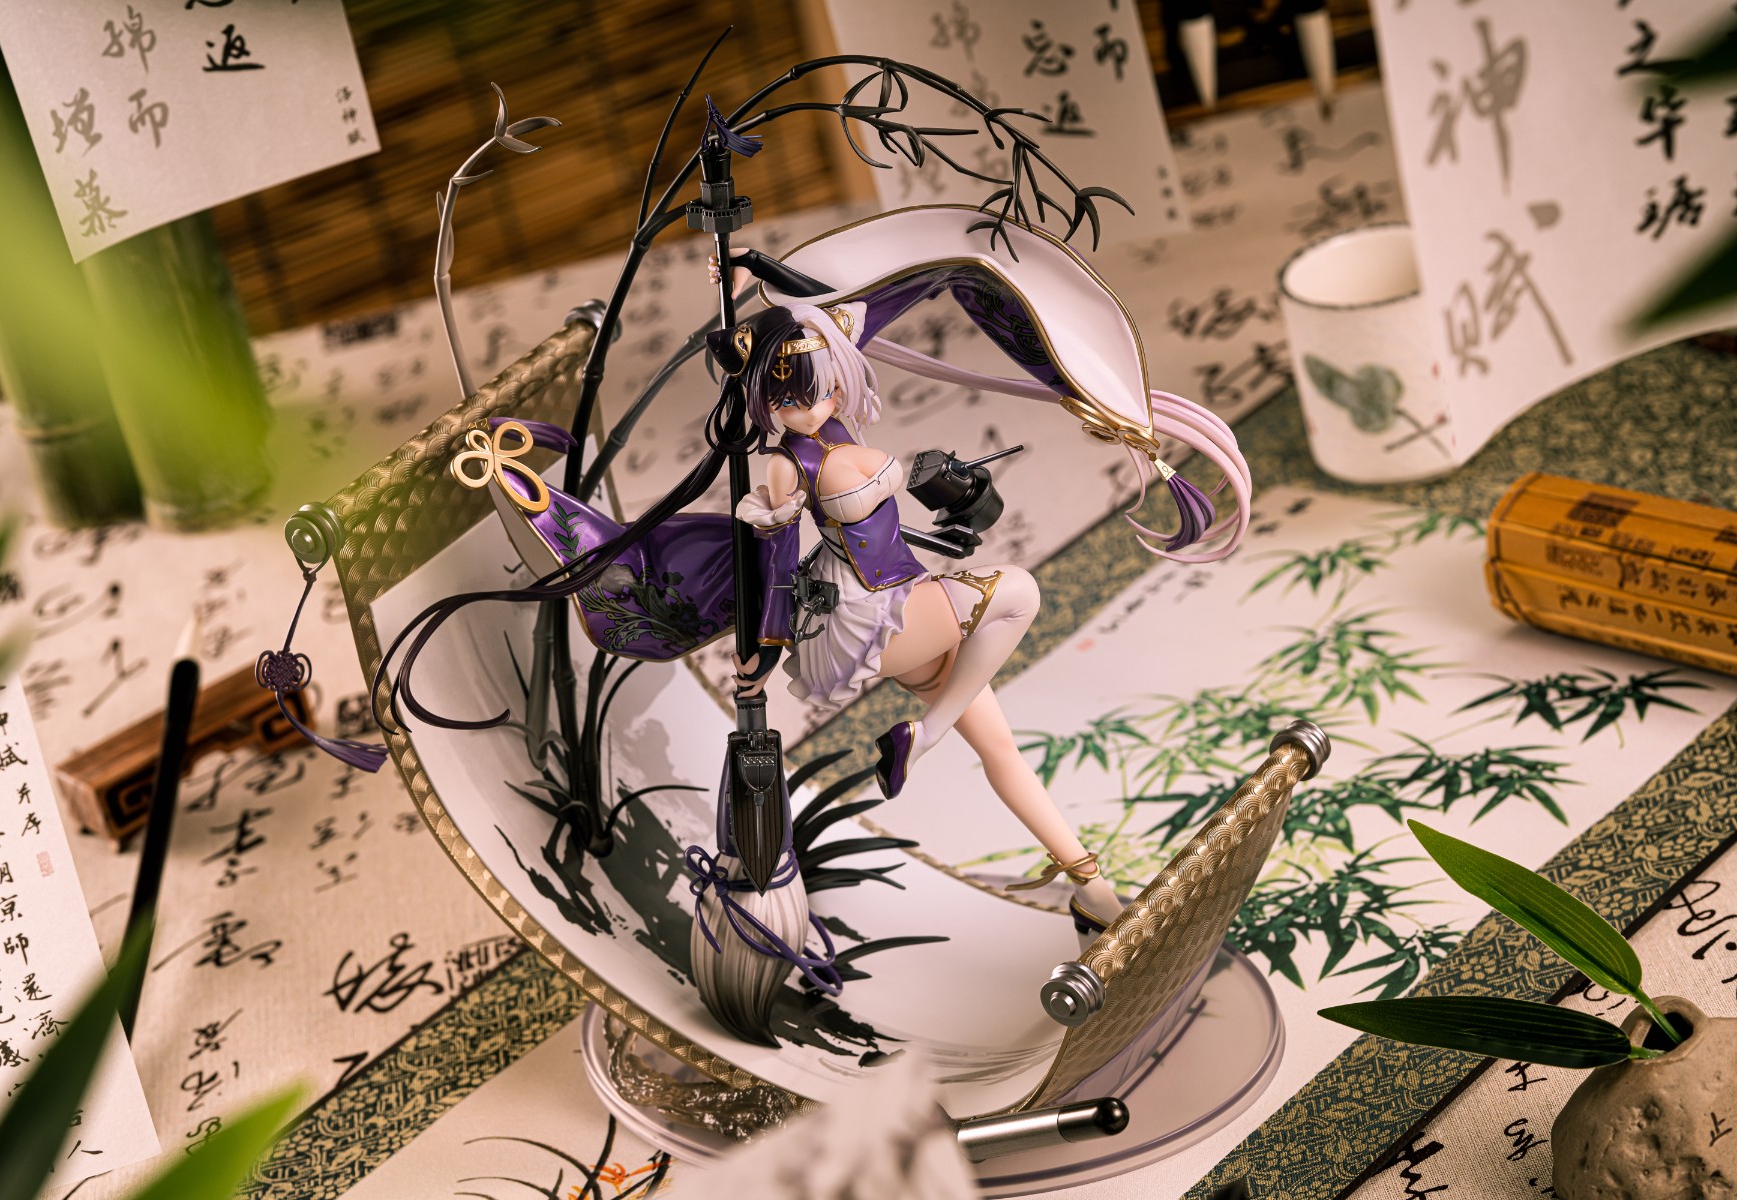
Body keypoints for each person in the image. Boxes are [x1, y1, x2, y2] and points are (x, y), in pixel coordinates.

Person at [417, 206, 1254, 933]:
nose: (801, 406)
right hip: (869, 614)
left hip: (905, 596)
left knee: (1001, 747)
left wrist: (751, 269)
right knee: (1019, 594)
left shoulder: (835, 425)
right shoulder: (788, 466)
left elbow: (862, 299)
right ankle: (919, 741)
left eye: (813, 390)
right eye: (783, 398)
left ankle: (1091, 889)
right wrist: (762, 652)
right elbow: (775, 557)